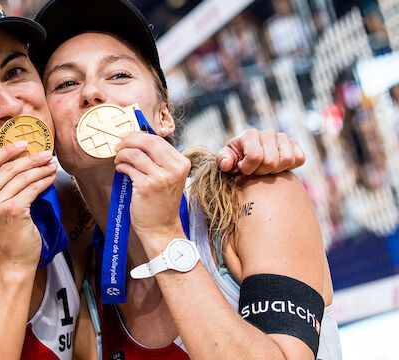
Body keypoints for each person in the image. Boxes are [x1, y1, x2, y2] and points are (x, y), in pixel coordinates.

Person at [0, 1, 306, 359]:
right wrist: (14, 267)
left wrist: (249, 157)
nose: (10, 106)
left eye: (16, 72)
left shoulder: (80, 220)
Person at [34, 0, 341, 359]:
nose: (91, 93)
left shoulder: (254, 197)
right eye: (66, 83)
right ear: (49, 133)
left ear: (164, 115)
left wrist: (165, 237)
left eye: (119, 75)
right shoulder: (82, 270)